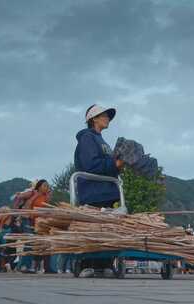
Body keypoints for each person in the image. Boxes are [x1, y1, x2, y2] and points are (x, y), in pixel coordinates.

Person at [74, 104, 124, 278]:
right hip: (93, 192)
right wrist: (113, 164)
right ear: (93, 118)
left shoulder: (102, 141)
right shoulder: (87, 138)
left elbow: (107, 166)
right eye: (104, 115)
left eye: (108, 116)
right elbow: (91, 165)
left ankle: (104, 265)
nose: (107, 118)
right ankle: (87, 264)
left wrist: (119, 165)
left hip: (106, 191)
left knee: (107, 230)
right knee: (94, 229)